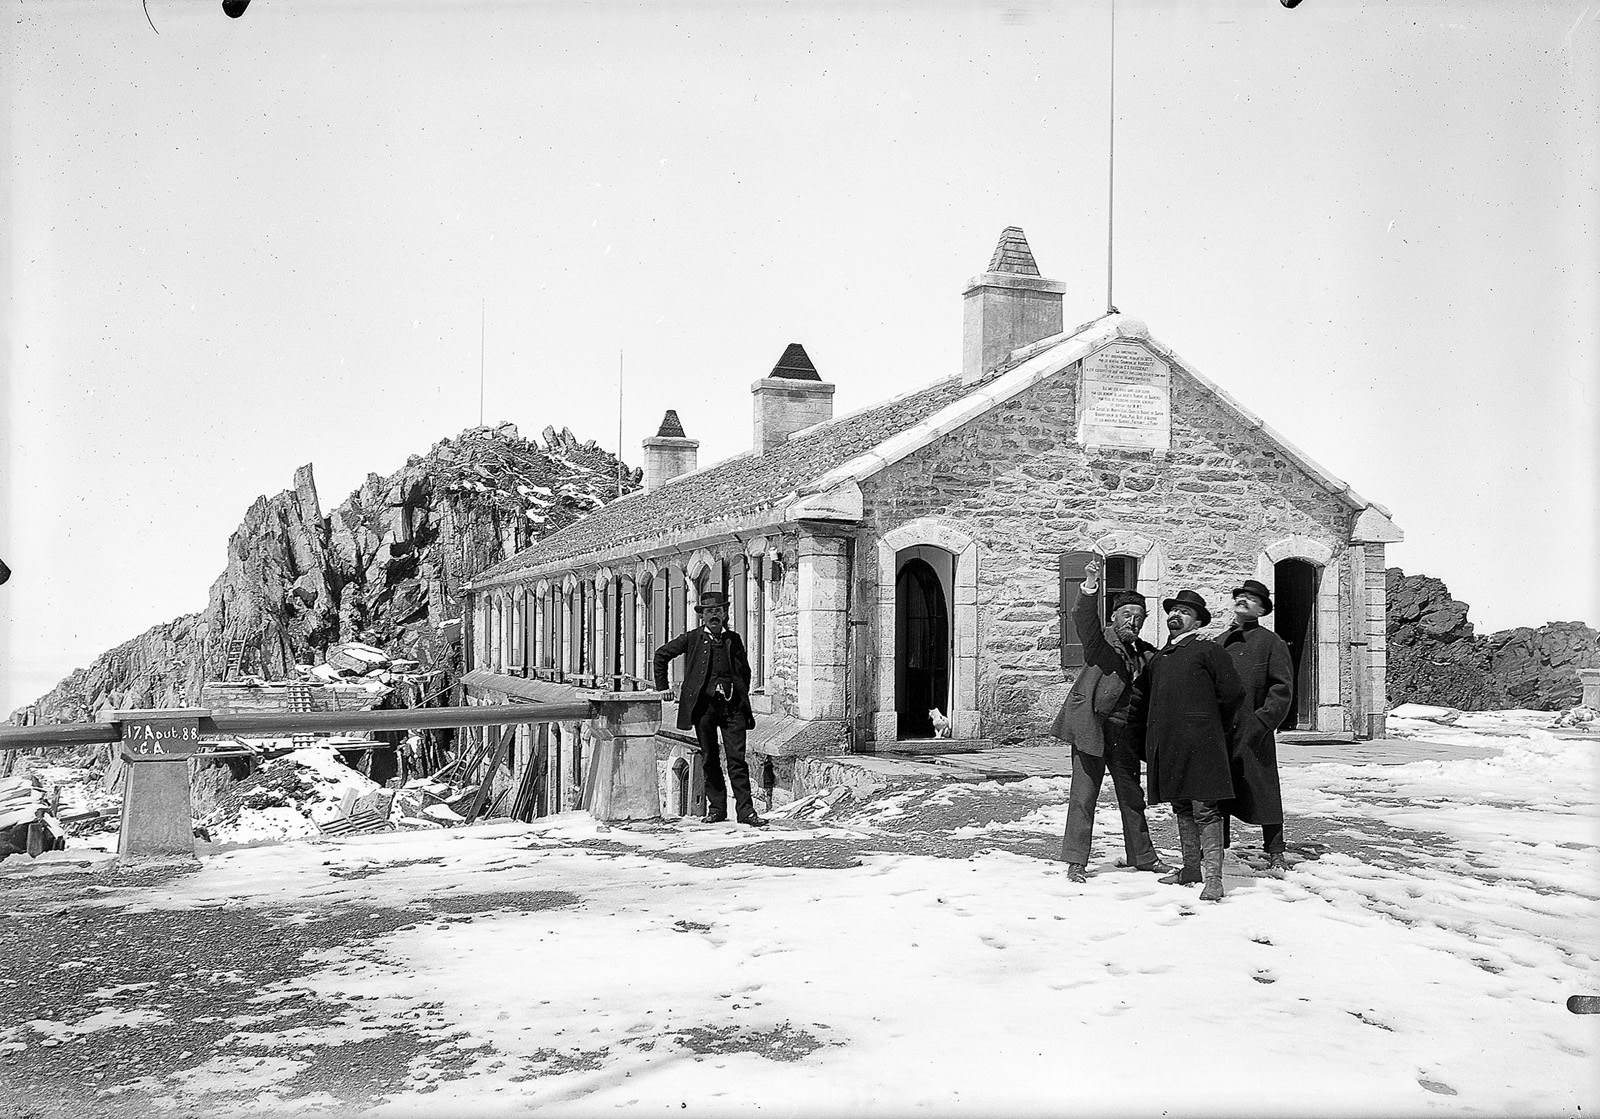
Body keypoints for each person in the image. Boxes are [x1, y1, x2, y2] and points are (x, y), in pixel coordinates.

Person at [1052, 558, 1166, 882]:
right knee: (1084, 797)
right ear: (1114, 616)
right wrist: (1090, 584)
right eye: (1127, 615)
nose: (1133, 621)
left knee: (1132, 797)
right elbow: (1082, 616)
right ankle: (1076, 862)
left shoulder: (1144, 653)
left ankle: (1143, 857)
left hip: (1125, 737)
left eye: (1139, 618)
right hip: (1092, 729)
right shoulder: (1099, 640)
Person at [1127, 589, 1245, 902]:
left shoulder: (1208, 650)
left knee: (1205, 809)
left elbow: (1232, 694)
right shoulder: (1161, 658)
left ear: (1197, 622)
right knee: (1181, 806)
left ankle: (1214, 880)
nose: (1175, 616)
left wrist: (1210, 728)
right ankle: (1191, 868)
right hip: (1170, 746)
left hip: (1202, 745)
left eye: (1184, 612)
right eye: (1173, 611)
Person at [652, 590, 767, 828]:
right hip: (703, 708)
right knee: (710, 758)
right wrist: (663, 687)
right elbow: (661, 656)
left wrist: (738, 691)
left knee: (737, 760)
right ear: (702, 615)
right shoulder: (692, 639)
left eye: (718, 611)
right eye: (709, 611)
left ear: (724, 614)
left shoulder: (734, 639)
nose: (714, 615)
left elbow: (744, 671)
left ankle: (746, 811)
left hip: (732, 709)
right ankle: (716, 809)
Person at [1219, 579, 1294, 874]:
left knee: (1263, 789)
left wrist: (1261, 721)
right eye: (1241, 596)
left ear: (1262, 610)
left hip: (1254, 729)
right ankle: (1216, 849)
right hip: (1222, 730)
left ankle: (1275, 850)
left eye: (1252, 599)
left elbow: (1282, 688)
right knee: (1220, 789)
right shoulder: (1220, 642)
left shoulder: (1271, 642)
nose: (1244, 601)